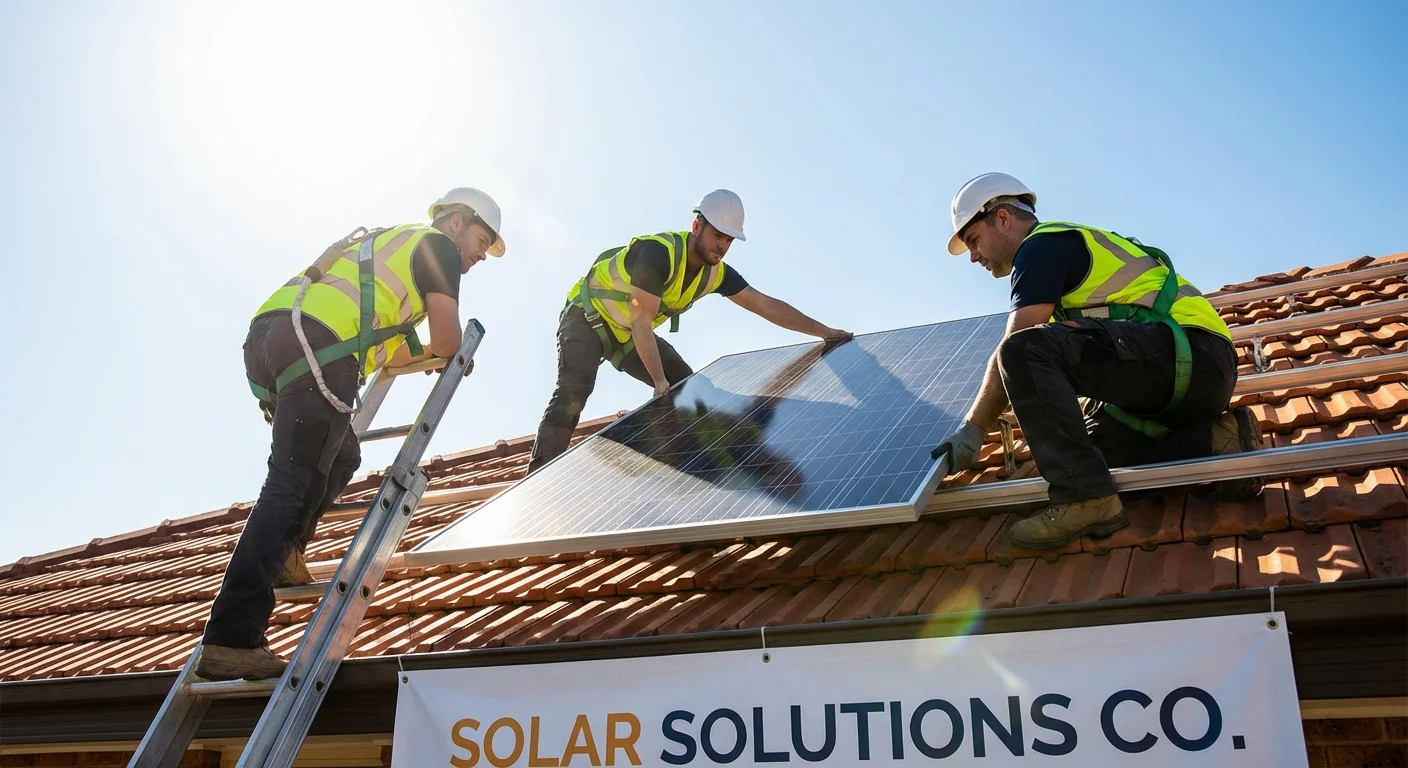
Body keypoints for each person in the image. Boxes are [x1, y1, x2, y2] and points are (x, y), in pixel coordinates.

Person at [197, 188, 506, 680]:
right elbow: (447, 339)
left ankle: (288, 552)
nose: (479, 255)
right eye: (481, 240)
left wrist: (431, 353)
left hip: (274, 337)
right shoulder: (438, 249)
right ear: (455, 224)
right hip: (319, 346)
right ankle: (232, 638)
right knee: (289, 483)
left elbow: (395, 352)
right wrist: (449, 352)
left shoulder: (393, 245)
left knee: (341, 456)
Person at [930, 173, 1261, 550]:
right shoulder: (1066, 247)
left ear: (1003, 218)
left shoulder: (1042, 245)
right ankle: (1219, 441)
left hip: (1187, 351)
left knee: (1022, 348)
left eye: (974, 240)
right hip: (1199, 373)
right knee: (1090, 453)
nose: (974, 256)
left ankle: (1084, 500)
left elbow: (1018, 344)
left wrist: (974, 428)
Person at [528, 189, 852, 472]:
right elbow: (641, 320)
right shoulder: (658, 253)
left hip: (625, 333)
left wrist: (823, 331)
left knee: (689, 386)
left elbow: (764, 305)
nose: (722, 246)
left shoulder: (715, 273)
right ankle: (538, 478)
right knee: (574, 392)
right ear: (697, 227)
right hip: (588, 318)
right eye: (717, 235)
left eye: (729, 240)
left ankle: (686, 466)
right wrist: (659, 381)